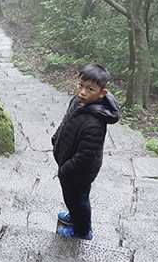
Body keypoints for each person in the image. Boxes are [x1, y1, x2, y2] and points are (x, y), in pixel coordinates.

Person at [51, 63, 120, 240]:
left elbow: (86, 156)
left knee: (79, 201)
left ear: (102, 93)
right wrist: (56, 138)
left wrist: (65, 171)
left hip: (79, 172)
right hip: (68, 164)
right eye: (80, 85)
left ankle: (82, 231)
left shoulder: (95, 122)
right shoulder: (77, 102)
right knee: (72, 199)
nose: (82, 92)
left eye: (90, 89)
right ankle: (74, 216)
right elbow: (66, 121)